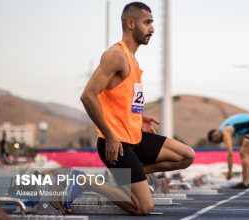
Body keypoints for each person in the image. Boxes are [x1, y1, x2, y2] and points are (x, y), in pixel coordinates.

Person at [64, 2, 195, 215]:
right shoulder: (116, 55)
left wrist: (139, 117)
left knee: (186, 156)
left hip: (135, 136)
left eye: (152, 23)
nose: (152, 29)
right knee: (143, 207)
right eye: (148, 23)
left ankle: (130, 179)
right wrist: (110, 136)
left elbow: (118, 98)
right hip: (116, 143)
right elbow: (88, 95)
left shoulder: (133, 58)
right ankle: (84, 179)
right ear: (131, 23)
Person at [208, 113, 249, 189]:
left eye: (217, 141)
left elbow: (230, 153)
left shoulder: (225, 131)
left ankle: (245, 182)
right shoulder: (224, 127)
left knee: (243, 153)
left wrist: (229, 172)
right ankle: (246, 181)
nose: (219, 142)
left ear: (216, 135)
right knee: (248, 154)